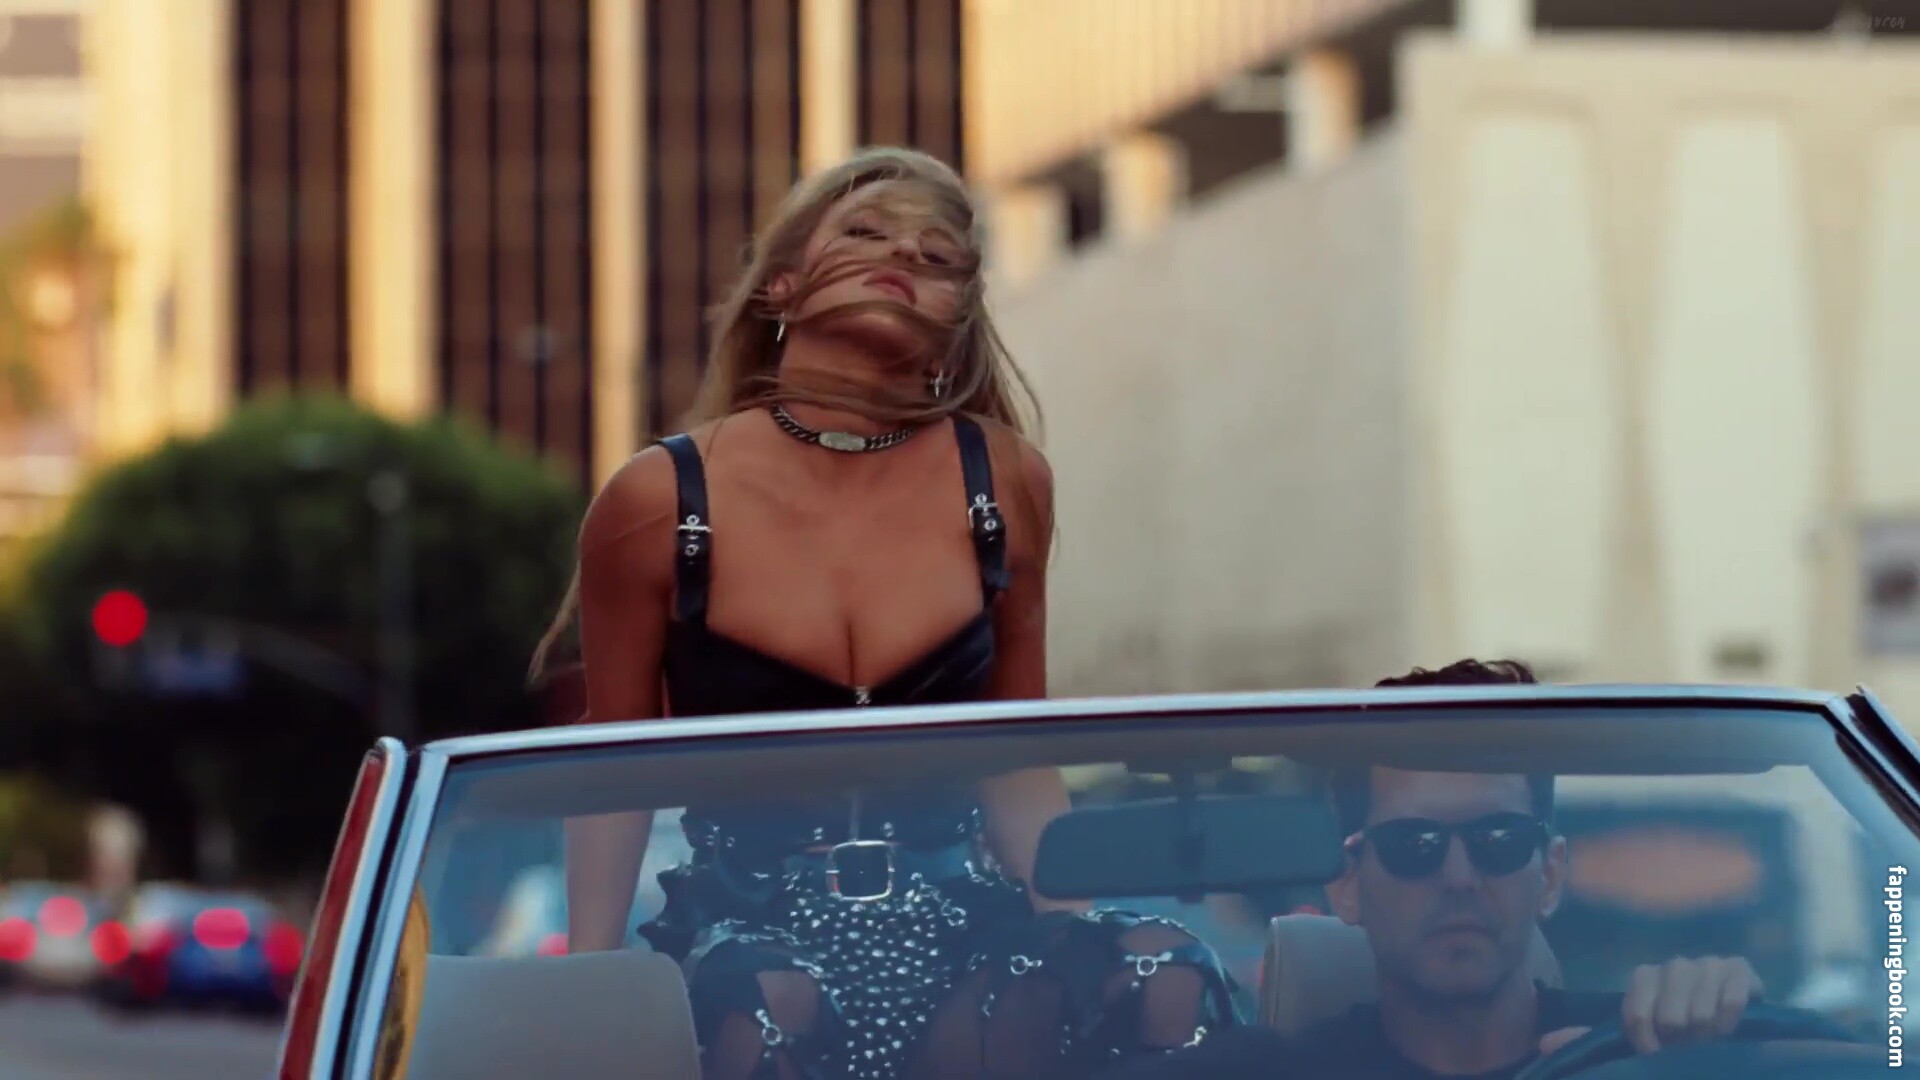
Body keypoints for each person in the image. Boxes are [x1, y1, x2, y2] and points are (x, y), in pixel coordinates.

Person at [530, 147, 1234, 1080]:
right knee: (767, 1002)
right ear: (780, 286)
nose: (902, 255)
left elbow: (1017, 750)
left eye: (938, 258)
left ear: (954, 321)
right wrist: (588, 971)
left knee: (1167, 970)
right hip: (746, 929)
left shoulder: (1002, 481)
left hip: (963, 917)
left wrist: (1075, 932)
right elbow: (613, 760)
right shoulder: (660, 498)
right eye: (864, 233)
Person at [1103, 658, 1777, 1080]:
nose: (1459, 877)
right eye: (1414, 844)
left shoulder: (1647, 1048)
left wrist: (1734, 1026)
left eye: (1498, 840)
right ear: (1347, 884)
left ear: (1549, 875)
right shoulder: (1273, 1075)